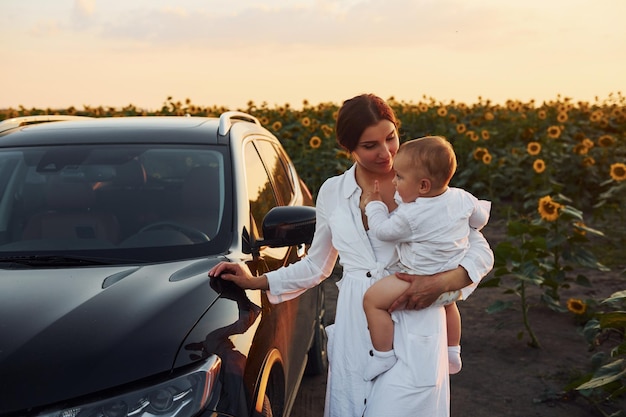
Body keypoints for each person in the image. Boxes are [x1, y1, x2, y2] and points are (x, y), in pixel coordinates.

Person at [208, 94, 494, 417]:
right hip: (357, 325)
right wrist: (256, 281)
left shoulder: (425, 185)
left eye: (390, 138)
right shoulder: (332, 192)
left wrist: (443, 283)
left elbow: (480, 250)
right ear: (350, 148)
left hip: (418, 318)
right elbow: (317, 265)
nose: (386, 152)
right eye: (370, 145)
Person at [361, 136, 491, 381]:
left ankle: (383, 355)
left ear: (422, 186)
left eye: (399, 177)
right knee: (449, 305)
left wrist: (375, 206)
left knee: (372, 301)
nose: (394, 180)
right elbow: (480, 219)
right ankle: (453, 350)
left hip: (416, 279)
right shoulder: (462, 197)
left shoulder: (410, 215)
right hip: (453, 281)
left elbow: (382, 232)